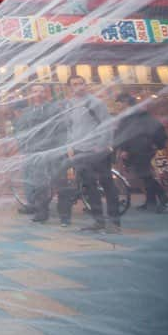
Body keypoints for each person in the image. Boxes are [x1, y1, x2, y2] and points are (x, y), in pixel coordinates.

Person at [60, 75, 120, 233]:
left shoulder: (95, 103)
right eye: (74, 84)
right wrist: (70, 146)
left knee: (107, 184)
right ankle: (98, 220)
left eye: (81, 83)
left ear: (85, 85)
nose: (79, 86)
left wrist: (101, 146)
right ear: (70, 88)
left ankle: (114, 222)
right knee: (89, 186)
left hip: (97, 150)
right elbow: (69, 127)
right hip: (80, 150)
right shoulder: (69, 105)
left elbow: (107, 124)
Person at [14, 84, 69, 223]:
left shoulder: (55, 109)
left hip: (53, 150)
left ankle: (65, 214)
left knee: (59, 182)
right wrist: (24, 148)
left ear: (46, 93)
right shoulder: (27, 112)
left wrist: (62, 147)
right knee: (39, 183)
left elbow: (62, 128)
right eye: (34, 91)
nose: (38, 93)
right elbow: (21, 132)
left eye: (41, 91)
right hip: (35, 152)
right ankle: (42, 212)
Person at [114, 93, 168, 213]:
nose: (118, 106)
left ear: (125, 102)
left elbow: (128, 134)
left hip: (140, 148)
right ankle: (150, 202)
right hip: (142, 147)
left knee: (146, 176)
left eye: (119, 103)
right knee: (145, 175)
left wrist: (124, 149)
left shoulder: (132, 115)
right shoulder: (136, 113)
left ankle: (166, 200)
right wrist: (158, 144)